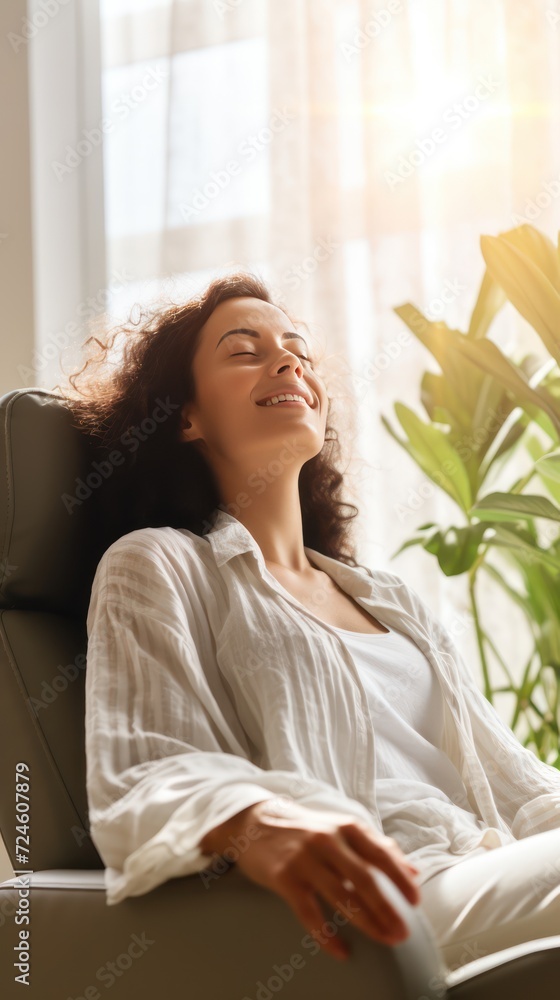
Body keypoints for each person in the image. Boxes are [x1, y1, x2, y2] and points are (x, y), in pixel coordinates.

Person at [57, 270, 560, 971]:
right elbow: (144, 768)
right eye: (244, 350)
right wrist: (254, 820)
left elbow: (520, 787)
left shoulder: (388, 597)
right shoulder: (160, 564)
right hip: (392, 897)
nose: (288, 360)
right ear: (184, 415)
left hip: (487, 865)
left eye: (298, 349)